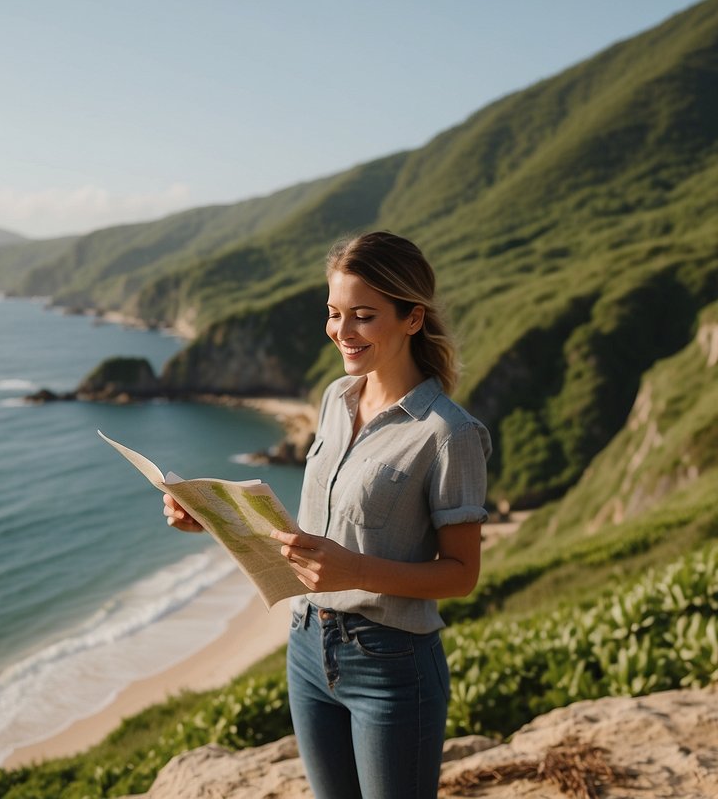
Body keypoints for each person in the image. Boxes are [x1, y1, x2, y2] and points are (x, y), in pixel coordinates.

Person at [163, 230, 491, 799]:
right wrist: (211, 517)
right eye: (335, 313)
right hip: (306, 646)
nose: (342, 331)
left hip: (392, 666)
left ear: (412, 318)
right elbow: (311, 540)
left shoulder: (448, 433)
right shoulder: (336, 399)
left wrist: (356, 572)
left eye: (363, 316)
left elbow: (462, 573)